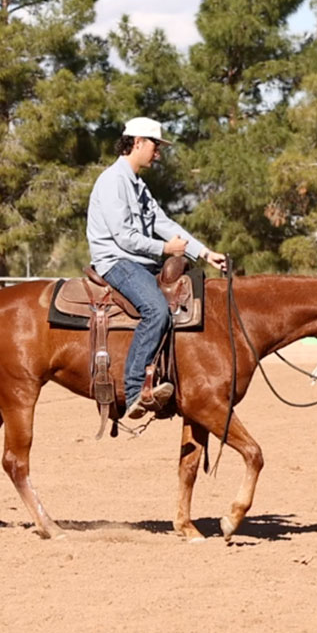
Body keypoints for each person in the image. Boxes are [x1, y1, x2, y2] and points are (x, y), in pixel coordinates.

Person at [86, 116, 227, 419]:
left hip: (138, 261)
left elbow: (164, 224)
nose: (158, 153)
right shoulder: (112, 181)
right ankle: (135, 391)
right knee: (156, 310)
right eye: (155, 146)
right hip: (117, 261)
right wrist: (165, 249)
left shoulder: (137, 185)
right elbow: (124, 237)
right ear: (137, 142)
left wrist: (204, 252)